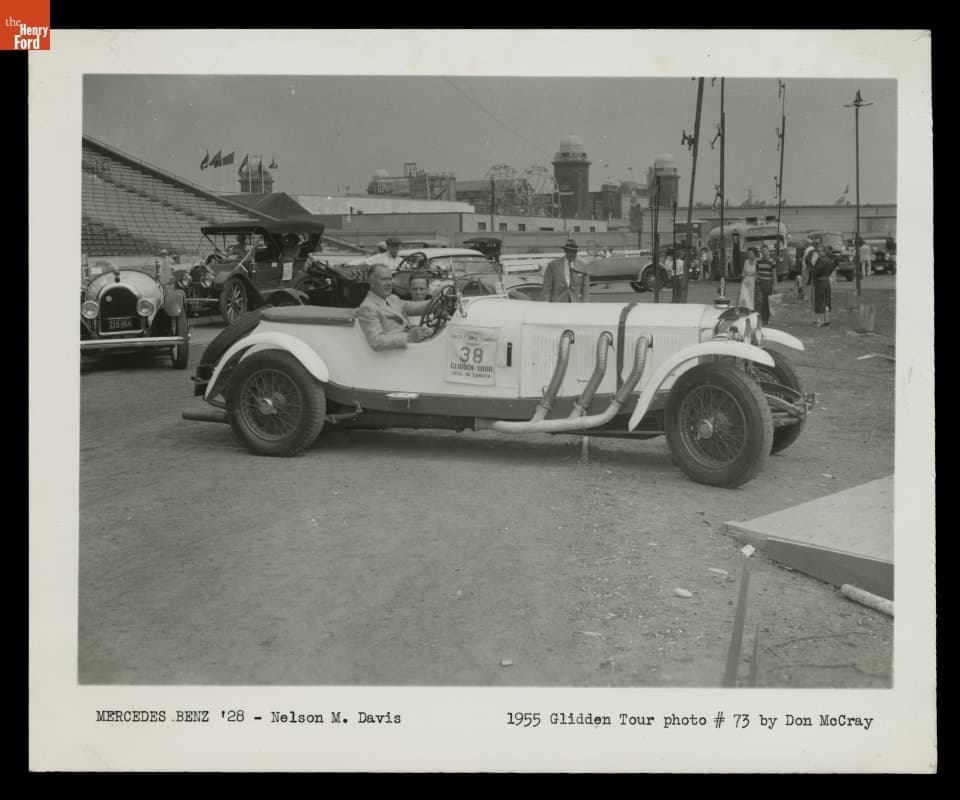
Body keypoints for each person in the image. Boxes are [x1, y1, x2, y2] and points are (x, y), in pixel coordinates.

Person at [356, 264, 433, 351]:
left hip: (410, 348)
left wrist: (437, 302)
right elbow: (376, 341)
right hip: (397, 355)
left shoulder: (392, 298)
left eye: (390, 279)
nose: (389, 283)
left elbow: (414, 307)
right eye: (384, 279)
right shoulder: (368, 307)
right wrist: (408, 337)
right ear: (372, 283)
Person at [542, 238, 591, 303]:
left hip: (575, 304)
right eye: (570, 251)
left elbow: (586, 288)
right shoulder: (553, 265)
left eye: (574, 252)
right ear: (565, 251)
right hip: (558, 304)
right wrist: (546, 303)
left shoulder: (583, 265)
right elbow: (547, 287)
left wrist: (585, 304)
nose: (572, 254)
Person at [812, 244, 834, 327]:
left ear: (824, 251)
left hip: (820, 281)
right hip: (827, 280)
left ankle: (821, 320)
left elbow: (816, 271)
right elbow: (831, 269)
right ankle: (826, 320)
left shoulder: (821, 260)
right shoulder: (829, 260)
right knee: (826, 301)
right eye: (817, 251)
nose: (818, 252)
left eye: (819, 251)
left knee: (820, 301)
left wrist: (814, 270)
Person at [755, 245, 777, 324]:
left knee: (766, 302)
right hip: (760, 282)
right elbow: (757, 272)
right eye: (762, 251)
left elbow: (774, 274)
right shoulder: (758, 261)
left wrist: (775, 285)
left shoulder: (772, 261)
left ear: (768, 251)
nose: (763, 252)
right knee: (759, 301)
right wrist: (756, 279)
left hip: (768, 283)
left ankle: (765, 319)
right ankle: (759, 318)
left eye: (765, 250)